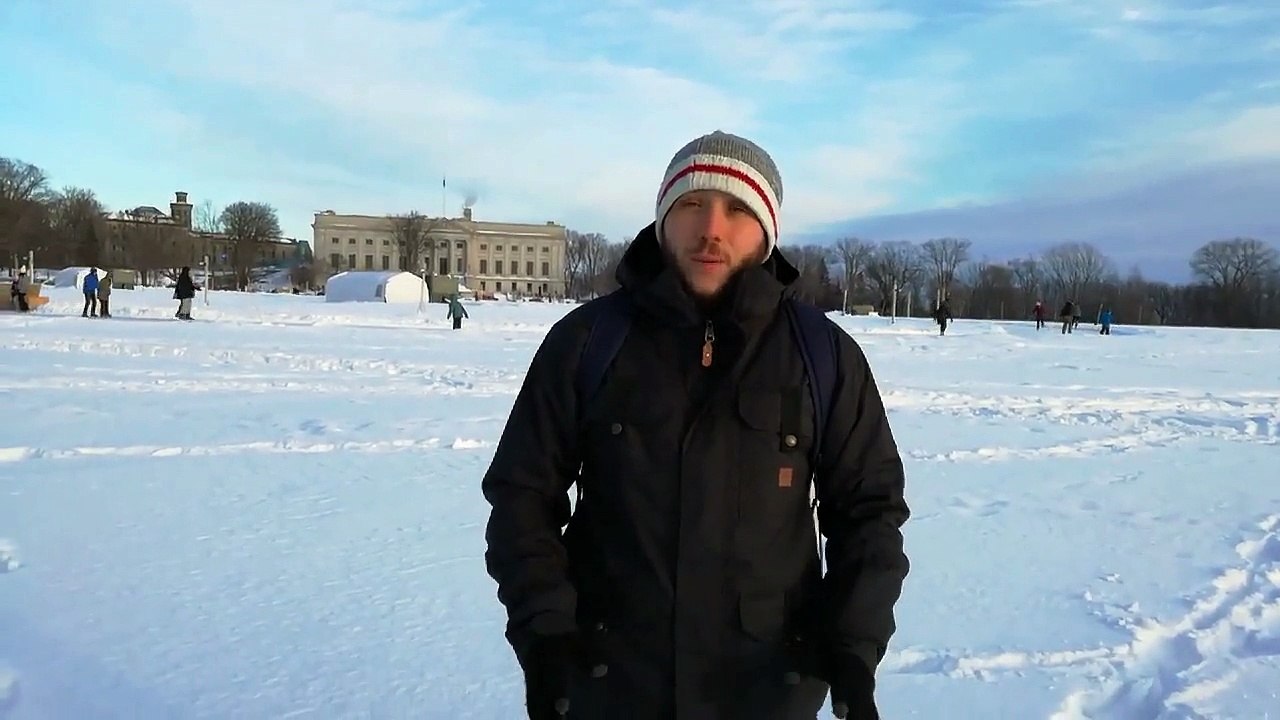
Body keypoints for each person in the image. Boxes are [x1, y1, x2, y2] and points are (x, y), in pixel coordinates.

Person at [482, 130, 909, 719]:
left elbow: (869, 510)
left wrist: (853, 644)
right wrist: (547, 634)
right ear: (663, 220)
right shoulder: (586, 343)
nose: (712, 228)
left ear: (766, 233)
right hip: (609, 681)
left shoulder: (823, 355)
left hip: (768, 688)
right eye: (691, 204)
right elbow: (523, 497)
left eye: (737, 209)